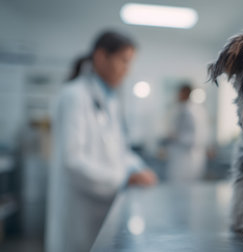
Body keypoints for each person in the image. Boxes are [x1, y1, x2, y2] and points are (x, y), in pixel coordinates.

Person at [45, 30, 158, 252]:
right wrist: (125, 178)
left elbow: (119, 149)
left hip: (104, 208)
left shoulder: (110, 99)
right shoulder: (74, 96)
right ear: (100, 57)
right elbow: (72, 161)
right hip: (80, 210)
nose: (127, 70)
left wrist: (138, 168)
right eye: (123, 61)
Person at [166, 83, 209, 182]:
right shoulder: (197, 109)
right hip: (193, 155)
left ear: (185, 93)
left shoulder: (187, 111)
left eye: (179, 93)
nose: (177, 95)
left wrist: (175, 137)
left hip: (185, 155)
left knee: (182, 183)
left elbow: (193, 137)